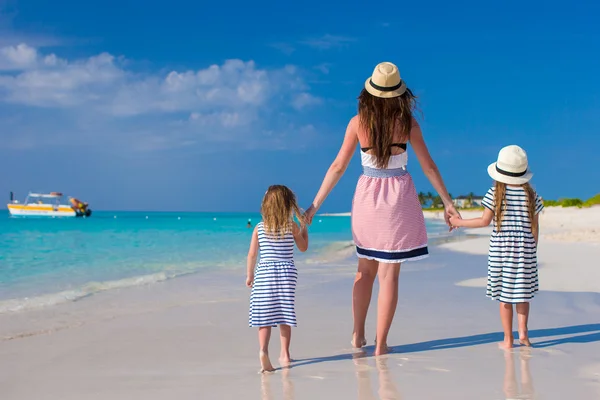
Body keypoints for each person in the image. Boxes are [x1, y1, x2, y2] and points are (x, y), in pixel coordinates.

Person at [304, 62, 459, 355]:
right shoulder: (409, 123)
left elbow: (337, 167)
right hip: (398, 197)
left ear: (370, 92)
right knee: (390, 275)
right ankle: (382, 343)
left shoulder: (357, 122)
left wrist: (314, 206)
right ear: (399, 92)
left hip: (368, 198)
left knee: (364, 270)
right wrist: (448, 202)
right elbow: (428, 166)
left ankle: (358, 334)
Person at [450, 145, 543, 349]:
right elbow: (535, 227)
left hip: (502, 250)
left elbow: (484, 221)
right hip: (525, 248)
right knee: (522, 293)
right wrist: (531, 249)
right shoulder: (532, 195)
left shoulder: (495, 193)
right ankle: (524, 336)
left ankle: (508, 339)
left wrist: (458, 222)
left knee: (505, 296)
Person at [246, 185, 309, 372]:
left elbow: (252, 254)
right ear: (288, 205)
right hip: (285, 273)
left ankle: (263, 351)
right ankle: (285, 354)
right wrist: (304, 227)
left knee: (264, 317)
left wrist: (250, 275)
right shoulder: (291, 226)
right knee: (284, 314)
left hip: (264, 273)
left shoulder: (259, 228)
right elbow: (303, 247)